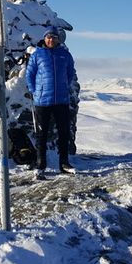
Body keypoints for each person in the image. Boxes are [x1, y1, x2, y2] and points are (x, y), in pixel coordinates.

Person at [26, 27, 76, 179]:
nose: (51, 40)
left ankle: (64, 164)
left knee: (64, 132)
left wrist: (64, 87)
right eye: (48, 37)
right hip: (42, 101)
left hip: (61, 100)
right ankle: (41, 165)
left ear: (58, 39)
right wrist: (35, 91)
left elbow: (70, 73)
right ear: (44, 39)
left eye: (53, 37)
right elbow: (30, 74)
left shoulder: (65, 55)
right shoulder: (37, 55)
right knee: (41, 134)